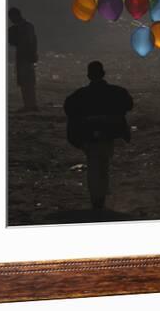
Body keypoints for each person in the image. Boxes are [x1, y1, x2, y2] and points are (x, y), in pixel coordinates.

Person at [64, 61, 133, 210]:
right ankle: (100, 198)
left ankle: (96, 199)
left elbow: (68, 109)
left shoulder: (79, 96)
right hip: (108, 134)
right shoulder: (117, 92)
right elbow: (128, 105)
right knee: (104, 165)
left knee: (94, 166)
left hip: (88, 136)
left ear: (88, 76)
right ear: (103, 74)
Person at [8, 7, 38, 111]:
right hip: (26, 56)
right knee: (26, 82)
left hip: (24, 56)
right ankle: (30, 104)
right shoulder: (28, 26)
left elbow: (21, 42)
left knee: (26, 82)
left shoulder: (21, 28)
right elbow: (33, 41)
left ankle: (30, 105)